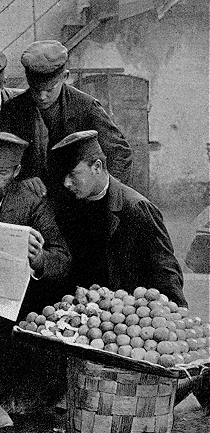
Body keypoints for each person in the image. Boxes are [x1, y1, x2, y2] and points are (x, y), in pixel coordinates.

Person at [0, 132, 71, 430]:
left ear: (17, 172)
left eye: (2, 173)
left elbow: (61, 257)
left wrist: (38, 259)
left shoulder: (30, 204)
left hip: (13, 304)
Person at [50, 130, 186, 307]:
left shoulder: (136, 208)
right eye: (64, 176)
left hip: (127, 315)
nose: (67, 183)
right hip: (84, 314)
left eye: (73, 174)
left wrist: (174, 313)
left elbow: (166, 271)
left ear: (97, 167)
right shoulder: (68, 207)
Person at [0, 40, 133, 194]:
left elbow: (120, 153)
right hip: (31, 197)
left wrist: (104, 194)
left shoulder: (86, 106)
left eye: (50, 89)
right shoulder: (13, 109)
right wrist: (22, 178)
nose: (42, 97)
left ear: (65, 76)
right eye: (36, 89)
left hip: (76, 199)